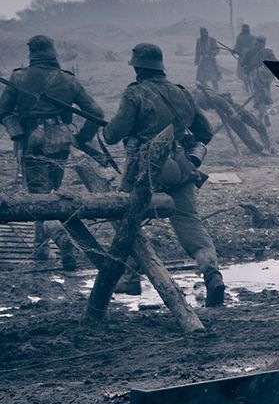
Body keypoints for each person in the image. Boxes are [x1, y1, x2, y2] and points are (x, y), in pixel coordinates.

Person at [101, 43, 225, 306]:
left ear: (137, 68)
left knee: (129, 220)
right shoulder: (181, 93)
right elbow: (205, 132)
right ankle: (212, 273)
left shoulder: (135, 94)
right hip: (182, 167)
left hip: (145, 170)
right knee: (190, 223)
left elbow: (112, 135)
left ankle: (130, 278)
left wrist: (107, 129)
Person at [1, 34, 108, 268]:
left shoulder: (19, 77)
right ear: (53, 52)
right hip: (61, 140)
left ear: (31, 52)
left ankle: (60, 238)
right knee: (50, 193)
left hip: (33, 141)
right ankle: (41, 249)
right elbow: (96, 113)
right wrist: (82, 138)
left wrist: (17, 132)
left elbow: (3, 111)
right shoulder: (68, 79)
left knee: (40, 197)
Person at [194, 27, 223, 91]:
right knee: (201, 78)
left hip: (211, 62)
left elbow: (217, 49)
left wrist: (212, 53)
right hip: (202, 62)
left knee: (214, 78)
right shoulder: (199, 41)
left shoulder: (212, 40)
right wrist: (196, 60)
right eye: (202, 33)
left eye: (205, 33)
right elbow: (197, 51)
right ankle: (207, 90)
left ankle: (217, 91)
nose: (204, 35)